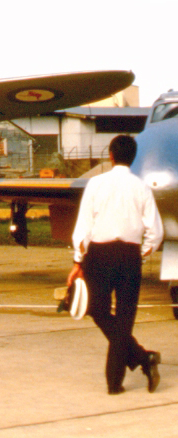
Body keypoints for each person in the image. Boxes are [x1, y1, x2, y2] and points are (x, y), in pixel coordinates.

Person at [67, 134, 162, 394]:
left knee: (96, 309)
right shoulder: (141, 187)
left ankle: (117, 382)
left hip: (99, 255)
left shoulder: (95, 184)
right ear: (133, 157)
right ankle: (142, 359)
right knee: (124, 318)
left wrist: (78, 260)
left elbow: (83, 226)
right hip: (129, 256)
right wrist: (140, 254)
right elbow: (155, 232)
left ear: (110, 155)